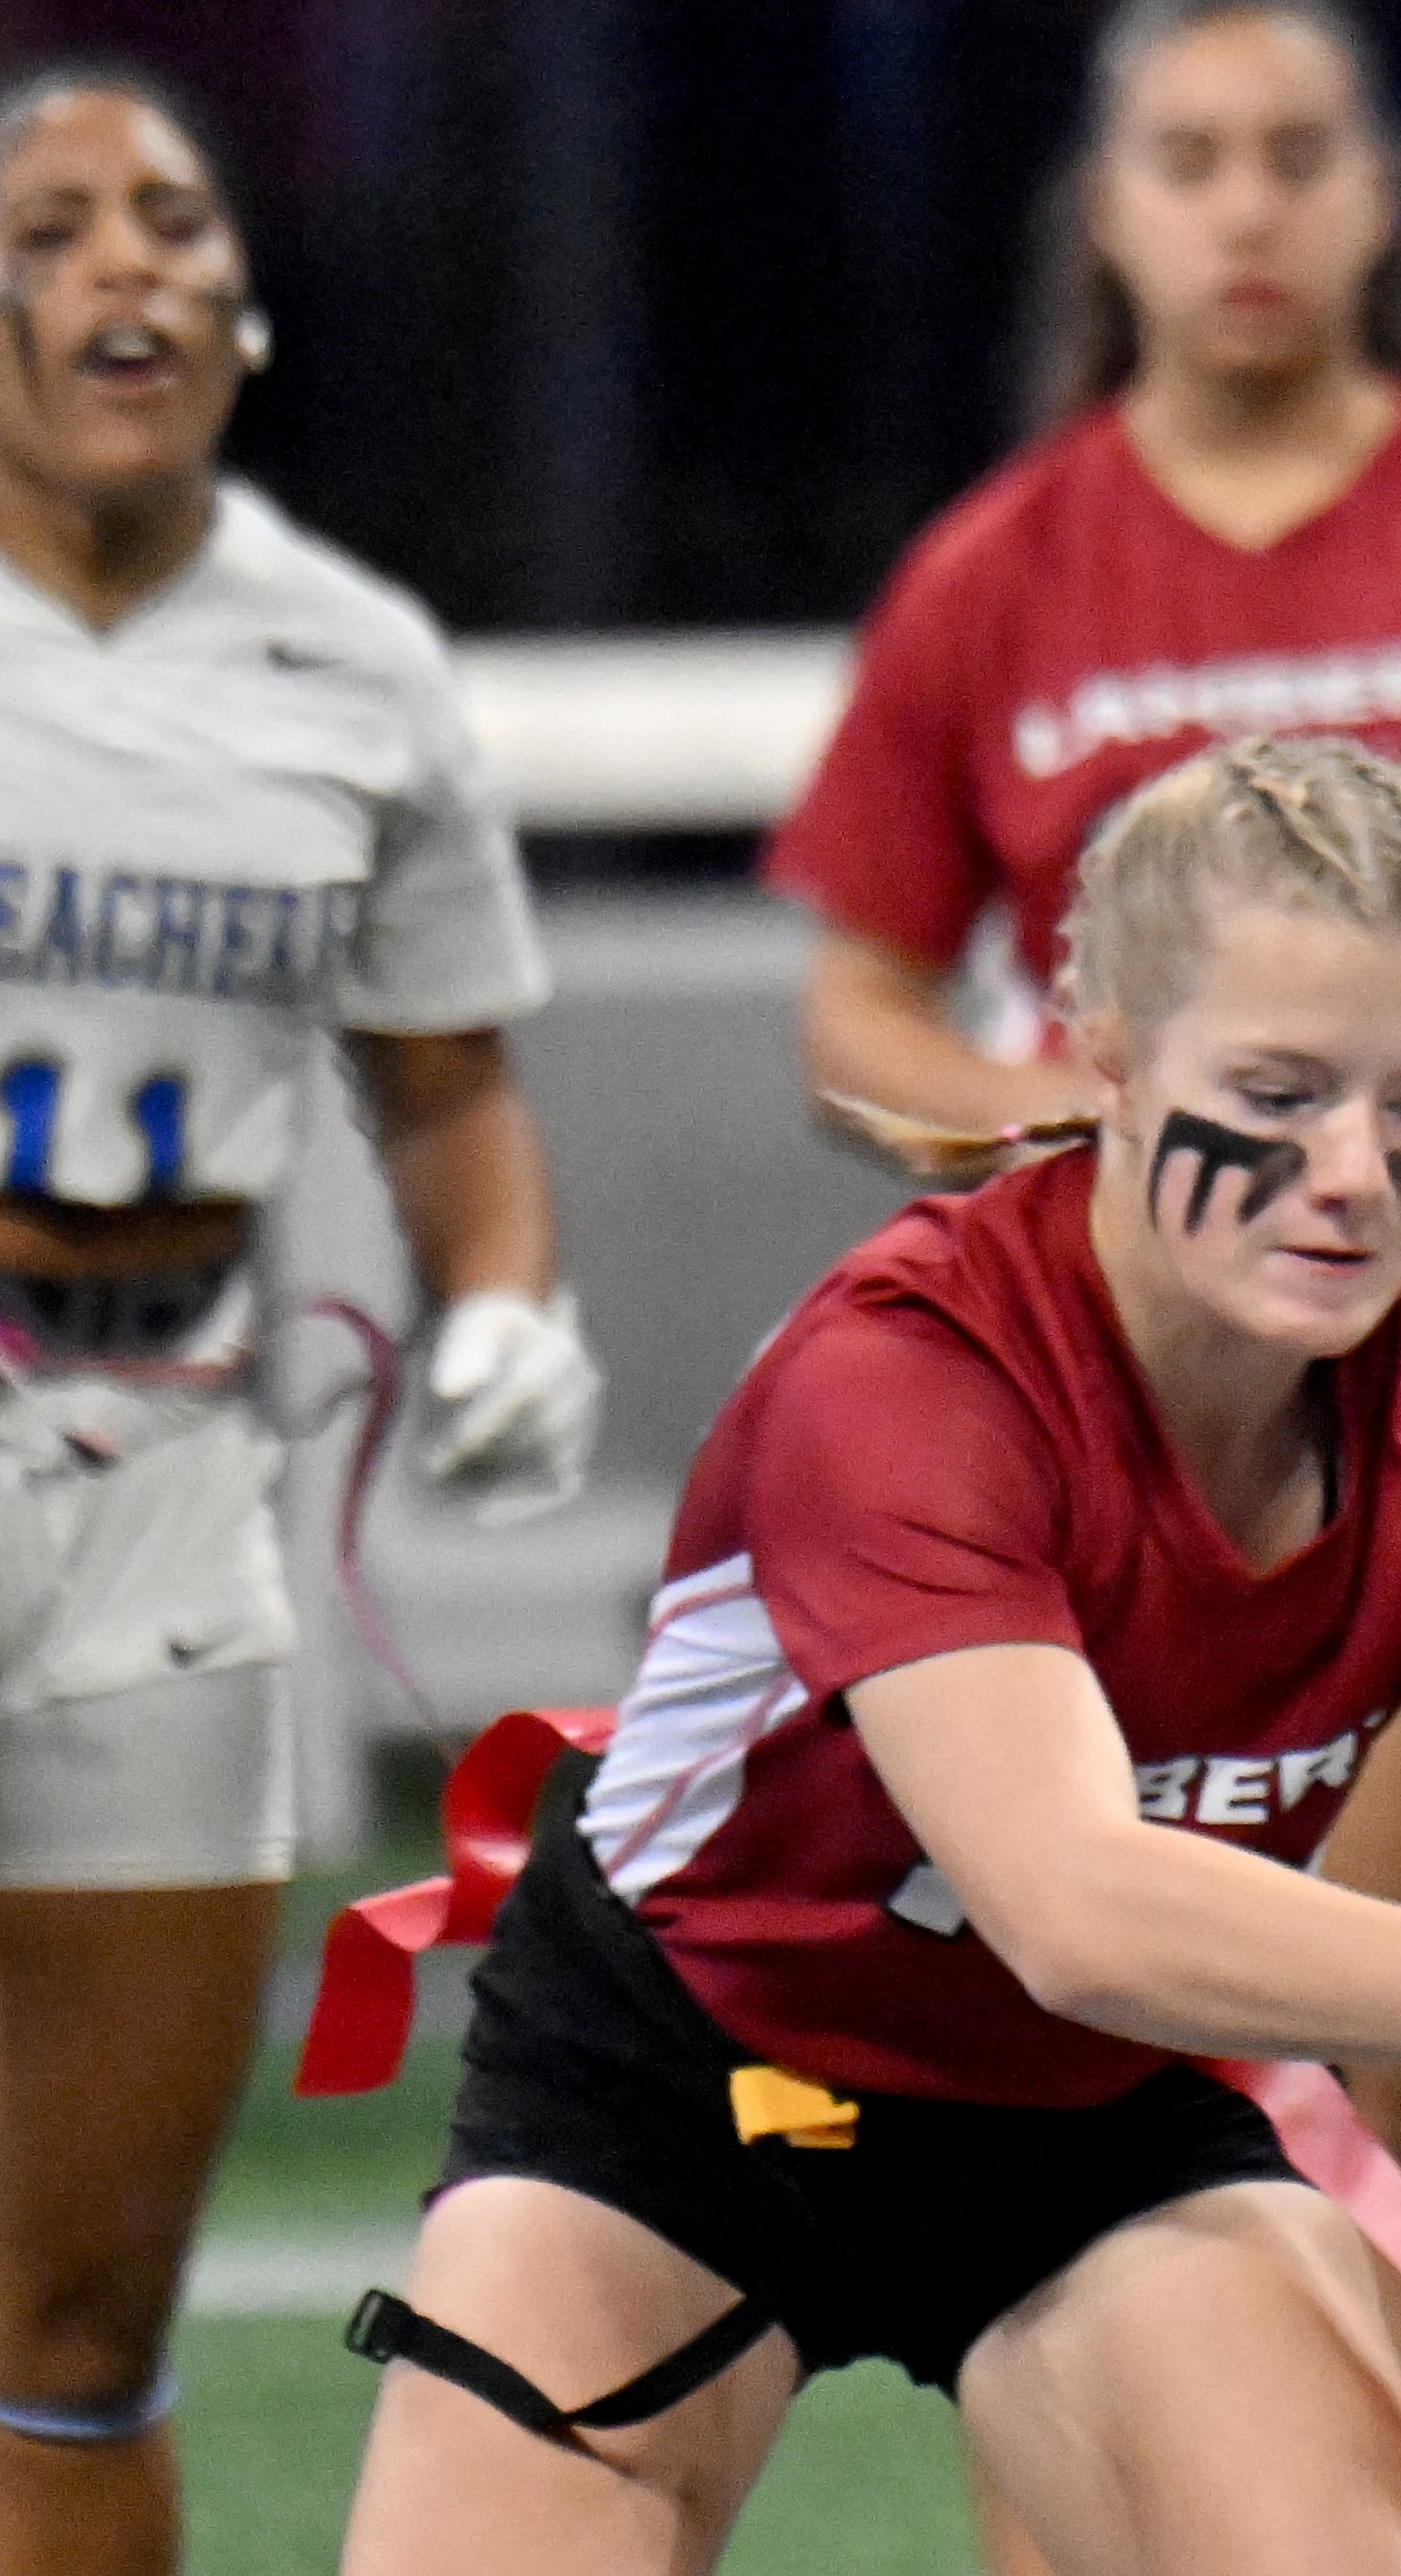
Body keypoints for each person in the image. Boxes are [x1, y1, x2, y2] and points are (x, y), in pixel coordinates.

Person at [338, 734, 1401, 2576]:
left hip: (1094, 2120)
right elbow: (1079, 1910)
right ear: (1101, 1053)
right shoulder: (907, 1376)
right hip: (685, 2080)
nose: (1354, 1174)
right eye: (1275, 1090)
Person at [762, 0, 1401, 2438]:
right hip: (1084, 1414)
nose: (1242, 204)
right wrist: (1064, 1125)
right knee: (1052, 2034)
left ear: (1374, 198)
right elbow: (854, 1005)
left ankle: (1397, 2504)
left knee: (1368, 2017)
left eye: (1293, 152)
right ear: (1107, 210)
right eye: (1189, 156)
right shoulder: (998, 573)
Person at [0, 66, 598, 2576]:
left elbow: (444, 1082)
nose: (122, 264)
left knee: (78, 2301)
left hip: (166, 1470)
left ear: (242, 308)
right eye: (51, 223)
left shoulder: (351, 667)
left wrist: (499, 1295)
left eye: (172, 222)